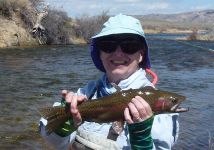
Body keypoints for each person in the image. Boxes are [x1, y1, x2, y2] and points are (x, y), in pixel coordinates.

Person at [39, 14, 179, 150]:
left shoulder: (159, 106)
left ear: (141, 55)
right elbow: (55, 144)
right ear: (100, 54)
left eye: (129, 45)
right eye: (108, 45)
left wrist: (143, 142)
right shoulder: (86, 93)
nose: (118, 53)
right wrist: (63, 124)